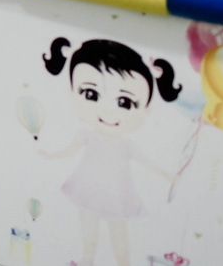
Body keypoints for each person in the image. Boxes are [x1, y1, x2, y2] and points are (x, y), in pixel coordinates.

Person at [40, 37, 182, 266]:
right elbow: (69, 150)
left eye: (125, 102)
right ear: (71, 92)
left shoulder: (126, 146)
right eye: (90, 94)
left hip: (116, 195)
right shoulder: (86, 136)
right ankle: (87, 261)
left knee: (119, 237)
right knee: (89, 233)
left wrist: (168, 175)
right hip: (88, 190)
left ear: (146, 110)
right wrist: (51, 155)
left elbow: (146, 162)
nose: (107, 110)